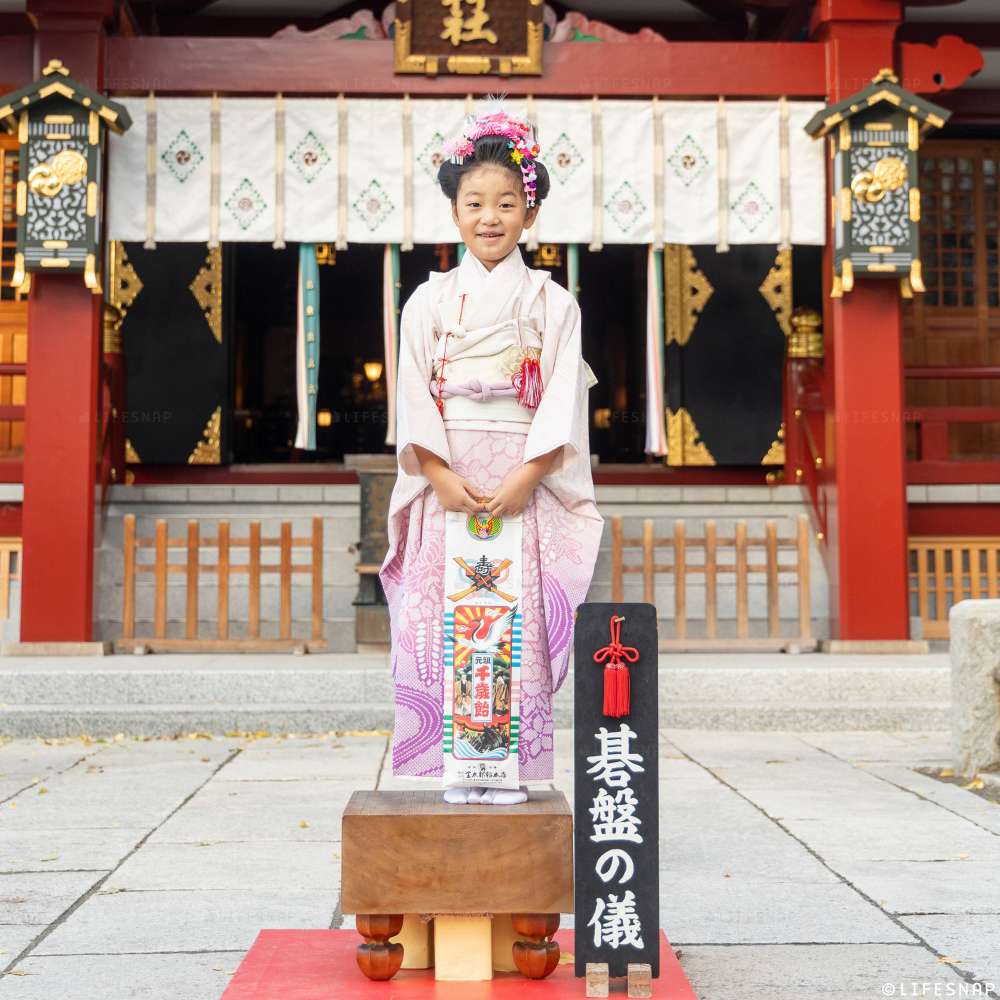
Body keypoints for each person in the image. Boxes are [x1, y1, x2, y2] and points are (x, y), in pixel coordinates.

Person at [378, 99, 603, 805]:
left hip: (521, 478)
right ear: (454, 212)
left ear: (529, 215)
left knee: (512, 617)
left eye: (507, 203)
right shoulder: (429, 300)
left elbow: (562, 397)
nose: (490, 217)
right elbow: (414, 390)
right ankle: (455, 765)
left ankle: (504, 766)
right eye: (474, 202)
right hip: (448, 475)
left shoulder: (552, 302)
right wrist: (438, 475)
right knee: (445, 617)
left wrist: (530, 475)